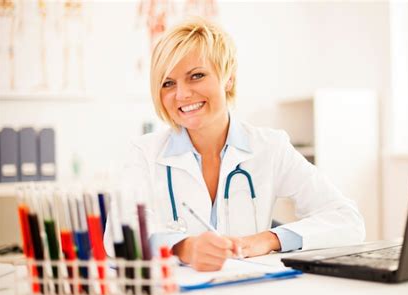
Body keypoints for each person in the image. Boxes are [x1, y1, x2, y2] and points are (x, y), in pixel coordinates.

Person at [104, 17, 365, 271]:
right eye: (168, 83)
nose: (182, 94)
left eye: (196, 75)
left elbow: (346, 219)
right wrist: (184, 248)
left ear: (228, 78)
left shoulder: (271, 147)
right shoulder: (144, 153)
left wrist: (268, 239)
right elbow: (117, 233)